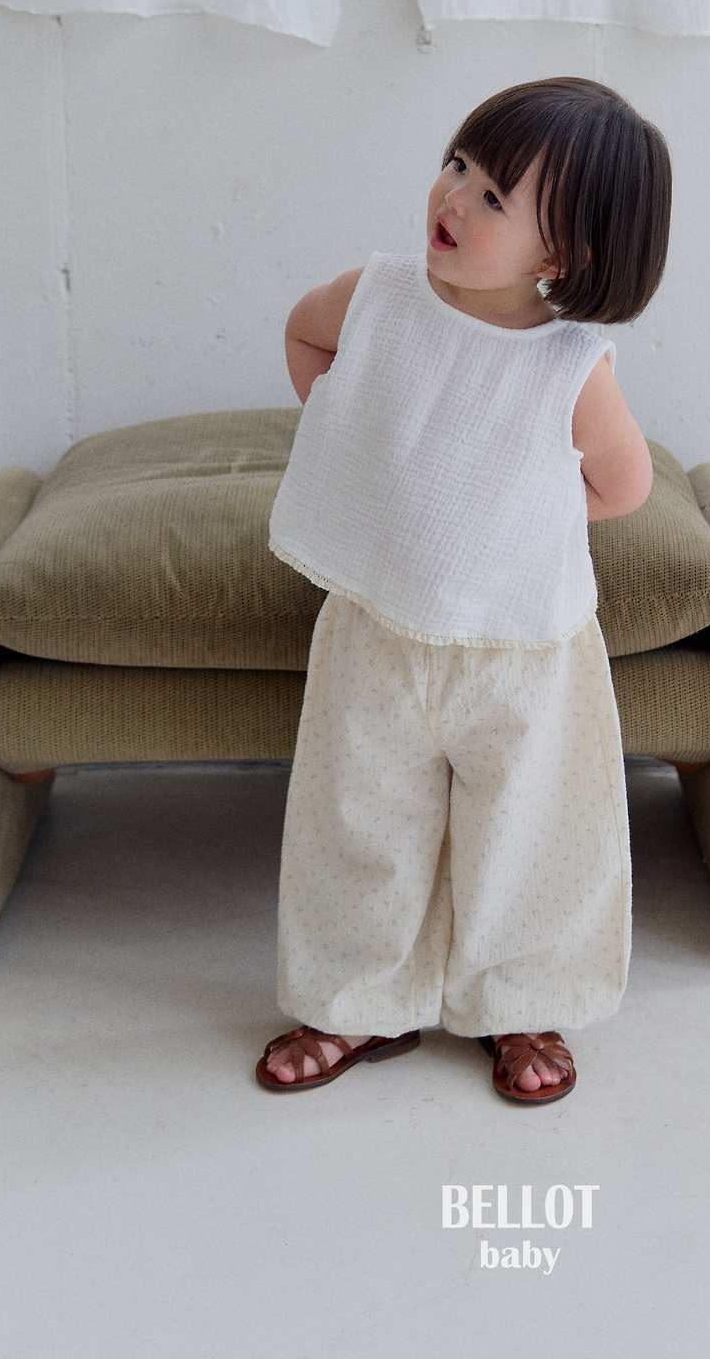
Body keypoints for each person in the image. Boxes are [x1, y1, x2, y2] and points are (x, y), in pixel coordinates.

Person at [256, 75, 671, 1105]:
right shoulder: (379, 295)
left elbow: (622, 484)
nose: (453, 197)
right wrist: (360, 448)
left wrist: (515, 514)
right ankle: (354, 1001)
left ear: (560, 254)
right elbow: (304, 335)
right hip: (376, 626)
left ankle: (523, 1003)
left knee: (528, 830)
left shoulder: (569, 364)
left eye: (493, 198)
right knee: (356, 817)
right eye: (457, 164)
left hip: (519, 650)